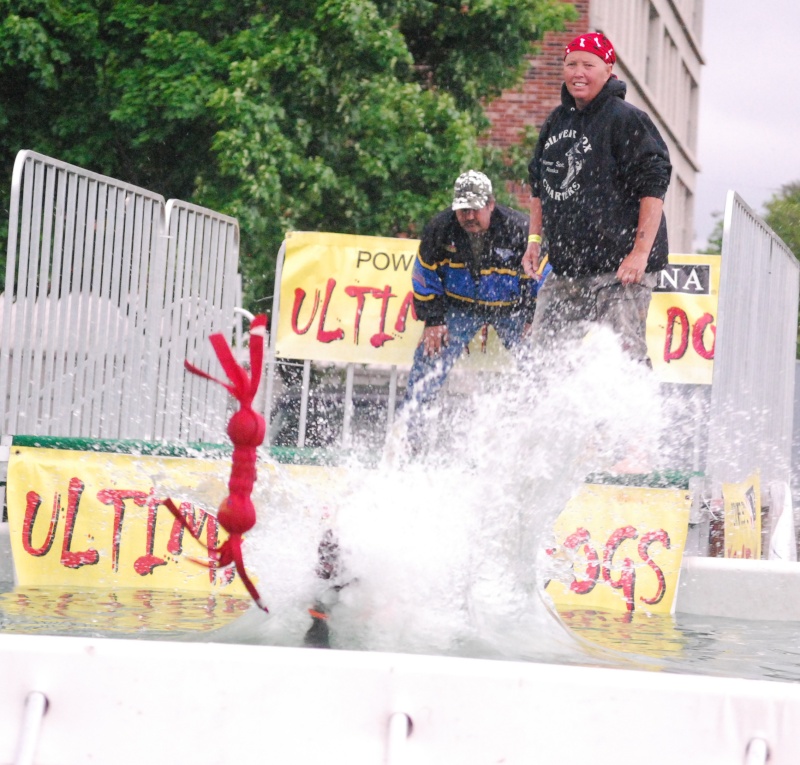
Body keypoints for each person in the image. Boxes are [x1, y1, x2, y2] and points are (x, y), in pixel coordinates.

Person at [523, 32, 671, 366]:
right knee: (544, 360)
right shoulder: (556, 120)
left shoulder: (625, 118)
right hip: (567, 268)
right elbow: (538, 184)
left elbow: (654, 185)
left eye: (588, 65)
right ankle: (552, 419)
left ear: (608, 70)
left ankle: (637, 419)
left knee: (623, 358)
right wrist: (534, 240)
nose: (578, 72)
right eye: (571, 63)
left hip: (620, 271)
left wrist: (639, 253)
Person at [401, 170, 549, 446]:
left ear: (491, 204)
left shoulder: (519, 228)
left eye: (475, 209)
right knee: (428, 361)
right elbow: (423, 274)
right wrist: (433, 320)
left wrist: (532, 316)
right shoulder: (439, 228)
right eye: (463, 210)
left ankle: (551, 434)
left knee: (542, 366)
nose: (469, 216)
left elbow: (542, 273)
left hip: (512, 310)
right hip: (458, 308)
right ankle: (409, 441)